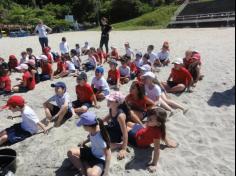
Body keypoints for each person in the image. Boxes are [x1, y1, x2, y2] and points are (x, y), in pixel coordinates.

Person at [127, 108, 177, 173]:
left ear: (158, 123)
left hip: (137, 140)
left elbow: (157, 150)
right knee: (128, 123)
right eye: (148, 117)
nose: (147, 119)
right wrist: (168, 143)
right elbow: (163, 135)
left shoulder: (156, 132)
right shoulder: (158, 126)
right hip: (141, 131)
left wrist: (154, 164)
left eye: (150, 119)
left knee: (123, 127)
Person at [67, 112, 111, 176]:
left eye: (83, 125)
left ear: (88, 126)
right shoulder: (93, 129)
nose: (82, 127)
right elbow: (91, 137)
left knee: (92, 175)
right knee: (70, 152)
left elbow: (108, 154)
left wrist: (106, 172)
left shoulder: (100, 137)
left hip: (99, 159)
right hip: (91, 152)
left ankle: (85, 163)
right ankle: (83, 172)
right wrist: (84, 142)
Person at [103, 91, 129, 160]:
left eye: (110, 100)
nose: (108, 101)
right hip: (112, 127)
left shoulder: (120, 116)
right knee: (98, 132)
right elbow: (108, 117)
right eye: (108, 100)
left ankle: (119, 145)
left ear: (117, 103)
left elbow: (125, 133)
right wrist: (100, 121)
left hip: (118, 134)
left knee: (104, 144)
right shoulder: (111, 109)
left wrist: (124, 149)